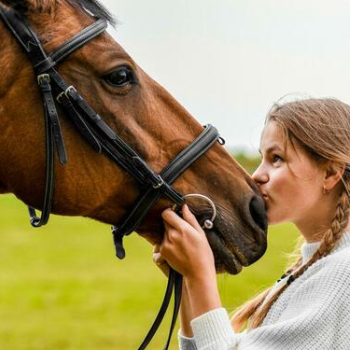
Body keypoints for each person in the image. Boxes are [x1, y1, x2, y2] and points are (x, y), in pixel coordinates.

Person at [153, 98, 350, 350]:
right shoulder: (318, 267)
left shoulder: (342, 274)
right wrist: (187, 287)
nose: (257, 174)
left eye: (276, 158)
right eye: (262, 158)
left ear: (331, 173)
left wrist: (199, 275)